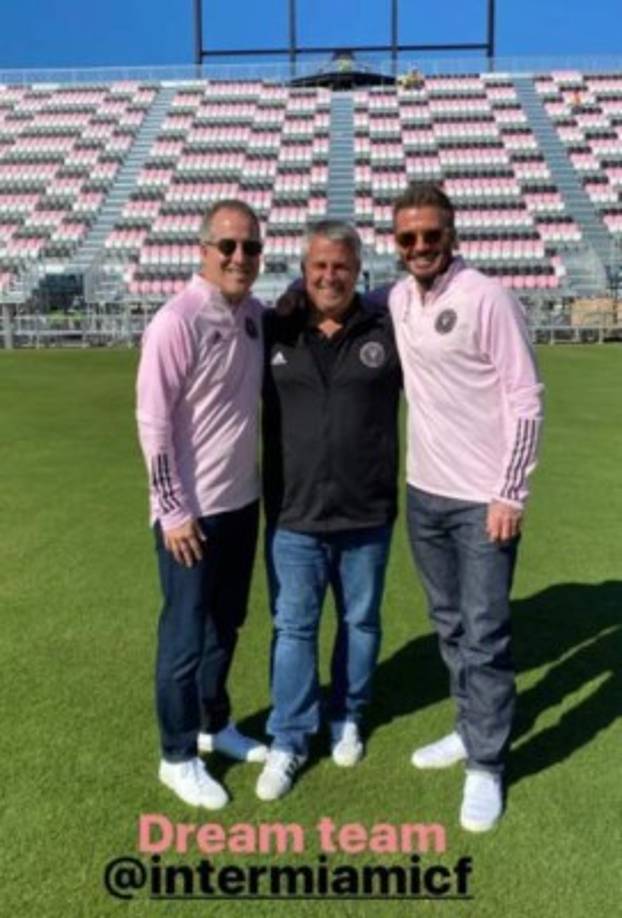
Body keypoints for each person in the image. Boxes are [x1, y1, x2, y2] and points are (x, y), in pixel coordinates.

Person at [389, 182, 543, 832]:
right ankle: (469, 725)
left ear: (451, 234)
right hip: (423, 493)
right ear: (397, 243)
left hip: (483, 502)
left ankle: (486, 764)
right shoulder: (398, 299)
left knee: (484, 634)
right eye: (408, 237)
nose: (420, 246)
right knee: (449, 625)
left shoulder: (486, 297)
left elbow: (526, 398)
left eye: (431, 234)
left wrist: (511, 492)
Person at [256, 220, 402, 800]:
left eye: (340, 265)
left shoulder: (386, 328)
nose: (329, 275)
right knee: (294, 627)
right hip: (294, 517)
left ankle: (347, 714)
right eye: (319, 265)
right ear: (303, 270)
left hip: (367, 514)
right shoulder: (276, 328)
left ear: (358, 270)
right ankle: (289, 737)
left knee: (360, 622)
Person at [136, 199, 268, 810]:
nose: (240, 257)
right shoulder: (177, 320)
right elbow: (153, 423)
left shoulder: (254, 315)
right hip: (189, 515)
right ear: (204, 250)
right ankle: (177, 755)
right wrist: (172, 509)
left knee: (226, 625)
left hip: (241, 504)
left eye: (251, 247)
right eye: (229, 246)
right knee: (185, 638)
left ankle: (216, 724)